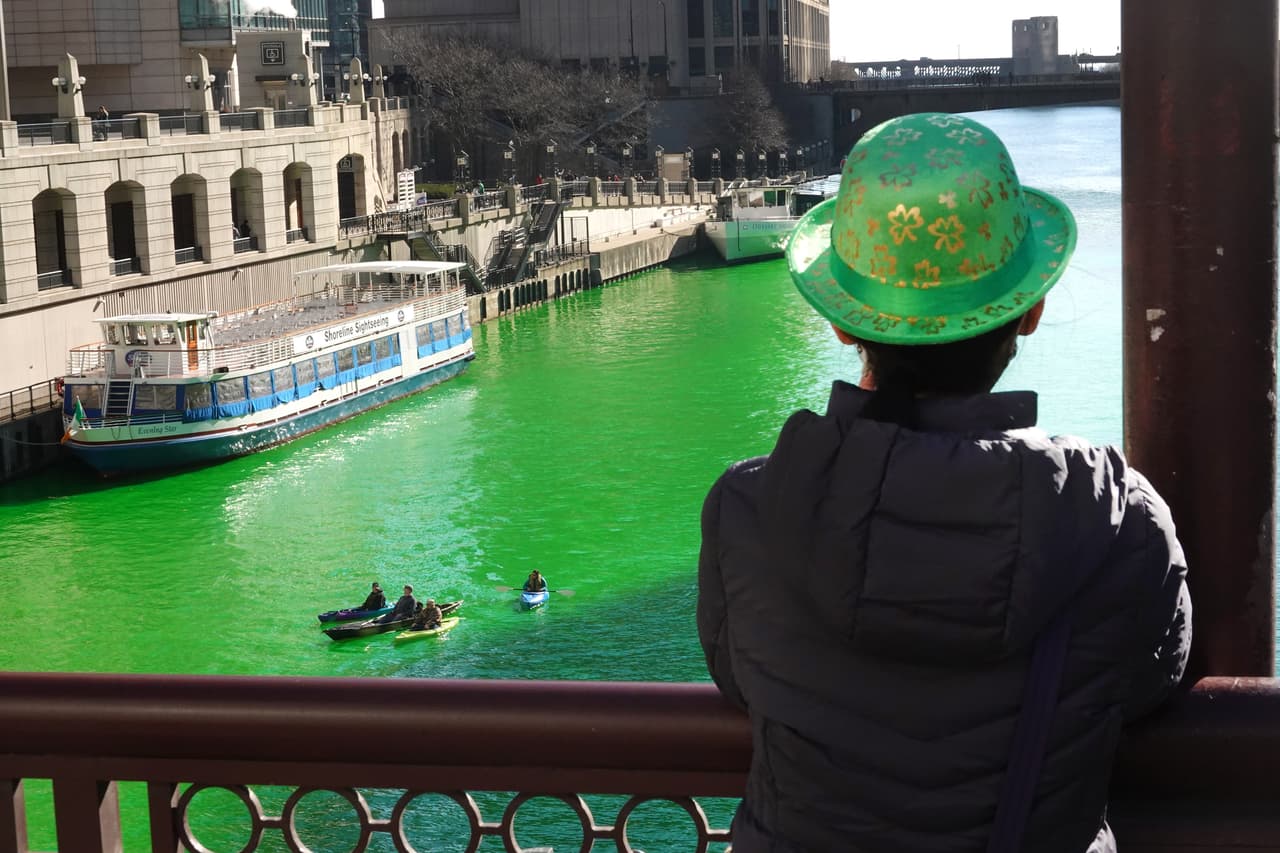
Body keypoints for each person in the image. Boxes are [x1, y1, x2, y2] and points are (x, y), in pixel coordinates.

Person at [696, 112, 1190, 853]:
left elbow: (739, 677)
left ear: (841, 322)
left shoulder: (748, 515)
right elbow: (1156, 677)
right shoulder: (1122, 525)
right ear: (1029, 311)